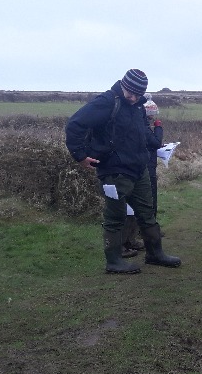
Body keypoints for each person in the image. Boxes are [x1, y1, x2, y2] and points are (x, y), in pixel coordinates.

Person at [65, 69, 181, 274]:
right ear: (123, 85)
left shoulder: (137, 105)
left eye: (138, 94)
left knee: (147, 213)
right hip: (114, 172)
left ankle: (155, 254)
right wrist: (80, 155)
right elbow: (75, 124)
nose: (133, 97)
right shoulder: (107, 101)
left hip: (139, 169)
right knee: (115, 216)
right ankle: (114, 261)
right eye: (131, 92)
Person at [122, 96, 163, 255]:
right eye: (151, 114)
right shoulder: (142, 127)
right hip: (139, 169)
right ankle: (127, 242)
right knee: (132, 208)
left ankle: (132, 240)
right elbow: (154, 142)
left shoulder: (142, 125)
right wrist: (158, 129)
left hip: (142, 167)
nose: (153, 117)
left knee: (138, 206)